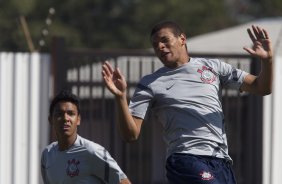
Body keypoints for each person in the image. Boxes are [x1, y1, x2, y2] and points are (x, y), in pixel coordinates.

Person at [102, 20, 273, 184]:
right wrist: (120, 98)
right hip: (185, 159)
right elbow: (130, 135)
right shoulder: (149, 83)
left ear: (182, 39)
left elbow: (261, 87)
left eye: (165, 40)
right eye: (155, 45)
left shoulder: (213, 67)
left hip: (221, 161)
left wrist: (267, 61)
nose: (160, 47)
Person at [41, 90, 131, 184]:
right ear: (50, 120)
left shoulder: (93, 151)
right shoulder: (47, 155)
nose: (65, 118)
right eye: (59, 114)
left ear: (78, 119)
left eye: (71, 113)